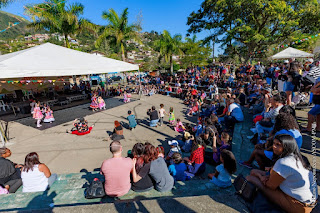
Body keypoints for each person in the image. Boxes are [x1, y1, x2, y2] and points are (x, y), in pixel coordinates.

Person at [246, 134, 317, 213]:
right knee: (254, 172)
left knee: (250, 178)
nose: (274, 147)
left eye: (278, 145)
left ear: (287, 146)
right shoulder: (300, 158)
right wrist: (262, 176)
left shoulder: (284, 162)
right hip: (309, 203)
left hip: (299, 206)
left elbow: (270, 185)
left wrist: (261, 178)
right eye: (274, 143)